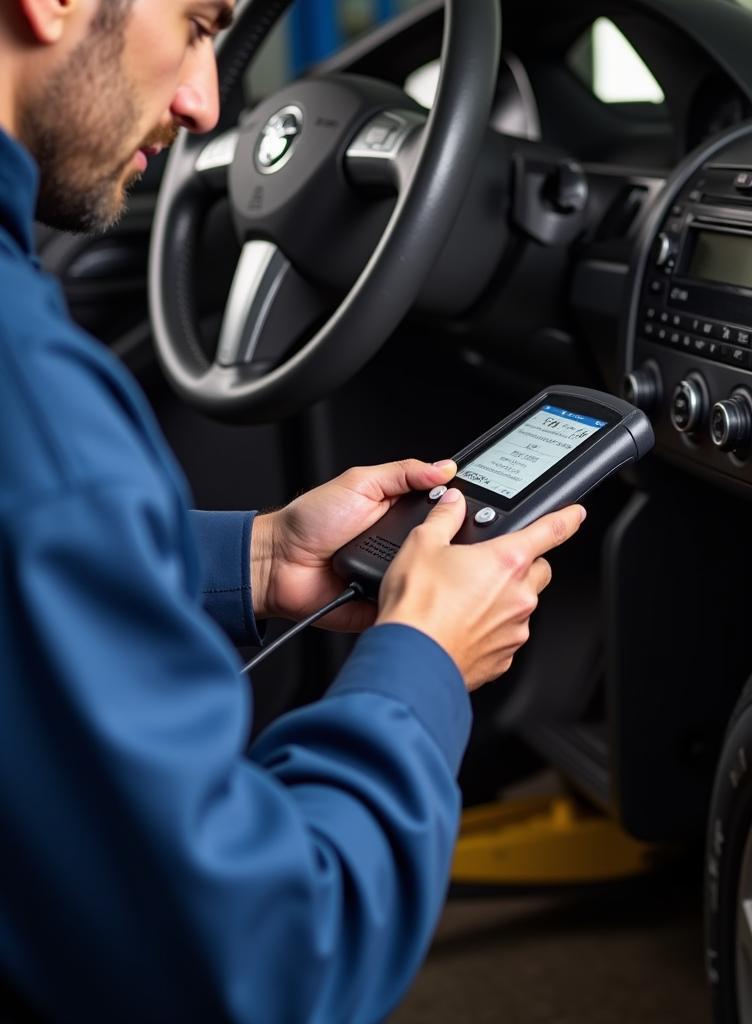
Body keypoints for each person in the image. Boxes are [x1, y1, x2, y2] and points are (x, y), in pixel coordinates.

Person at [0, 0, 586, 1020]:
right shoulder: (35, 406)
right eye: (197, 24)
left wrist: (255, 559)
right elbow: (261, 963)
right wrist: (423, 663)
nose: (204, 103)